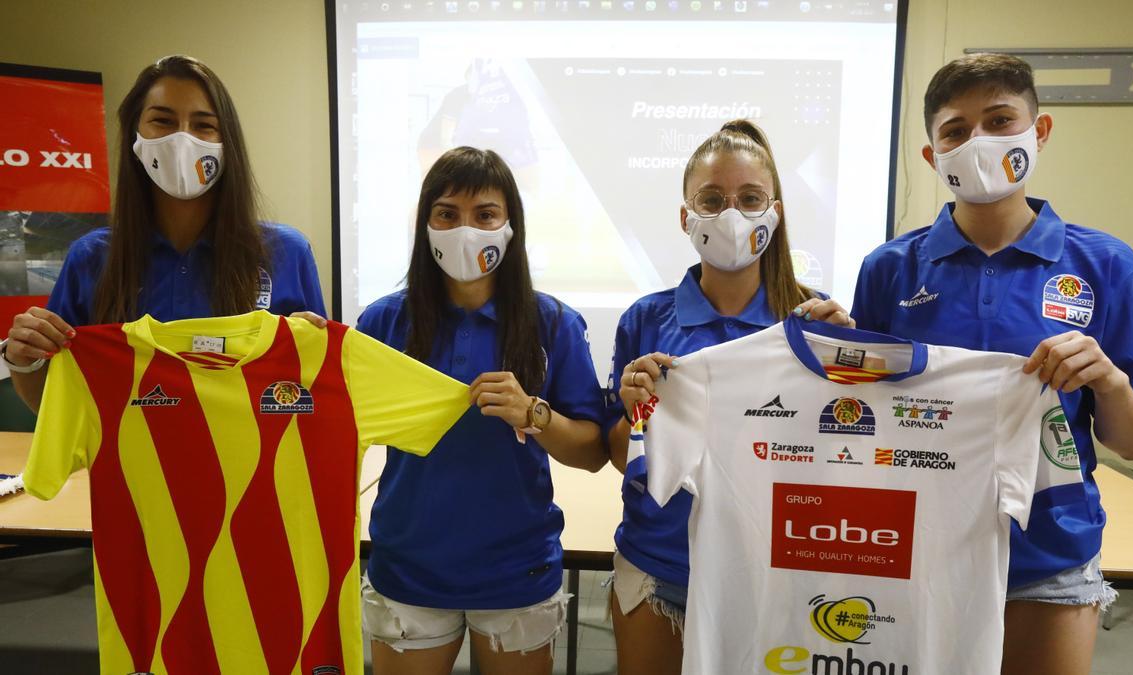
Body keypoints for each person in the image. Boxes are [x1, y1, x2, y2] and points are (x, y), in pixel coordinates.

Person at [851, 53, 1133, 675]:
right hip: (918, 546)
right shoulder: (890, 268)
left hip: (1051, 547)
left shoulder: (1107, 266)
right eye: (956, 132)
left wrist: (1108, 379)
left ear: (1037, 132)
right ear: (932, 156)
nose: (978, 143)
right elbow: (862, 418)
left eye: (999, 120)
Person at [605, 119, 853, 675]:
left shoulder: (816, 318)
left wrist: (853, 368)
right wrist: (637, 410)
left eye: (749, 198)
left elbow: (849, 452)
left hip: (777, 569)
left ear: (777, 210)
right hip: (662, 564)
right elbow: (625, 457)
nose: (732, 215)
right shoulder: (646, 320)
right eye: (712, 200)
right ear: (686, 216)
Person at [356, 146, 608, 675]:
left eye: (485, 214)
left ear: (509, 225)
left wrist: (533, 414)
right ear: (426, 223)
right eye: (447, 213)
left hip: (516, 570)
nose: (464, 229)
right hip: (409, 568)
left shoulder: (554, 324)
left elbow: (590, 452)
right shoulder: (382, 323)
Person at [2, 55, 326, 410]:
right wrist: (24, 357)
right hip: (128, 465)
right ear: (134, 136)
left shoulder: (285, 251)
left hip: (253, 464)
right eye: (163, 120)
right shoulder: (93, 257)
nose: (182, 139)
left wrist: (308, 354)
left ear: (227, 141)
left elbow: (314, 394)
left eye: (204, 125)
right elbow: (58, 405)